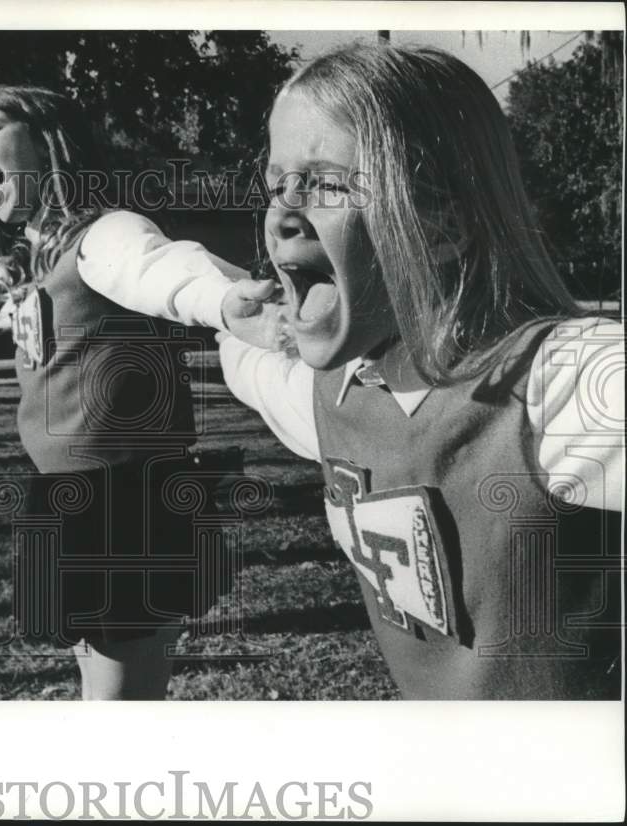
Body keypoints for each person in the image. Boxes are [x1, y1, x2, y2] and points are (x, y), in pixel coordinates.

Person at [212, 44, 623, 699]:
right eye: (276, 184)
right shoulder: (323, 397)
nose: (281, 215)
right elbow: (232, 345)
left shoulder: (564, 386)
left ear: (442, 227)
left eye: (325, 184)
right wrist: (226, 312)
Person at [0, 85, 243, 700]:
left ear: (49, 140)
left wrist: (227, 302)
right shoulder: (31, 261)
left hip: (128, 495)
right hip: (68, 492)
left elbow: (167, 271)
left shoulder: (105, 234)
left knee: (121, 694)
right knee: (93, 668)